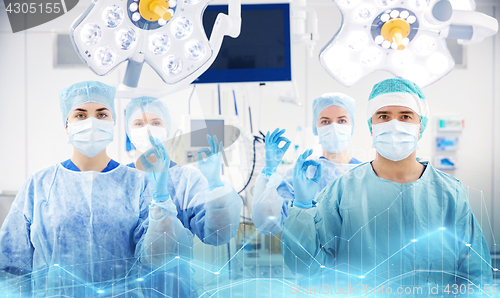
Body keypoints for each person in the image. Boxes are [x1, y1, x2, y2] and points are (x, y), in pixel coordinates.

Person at [0, 82, 237, 297]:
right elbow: (11, 265)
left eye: (101, 114)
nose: (91, 122)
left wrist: (209, 184)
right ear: (66, 125)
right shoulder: (40, 184)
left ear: (112, 125)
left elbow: (209, 236)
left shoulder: (143, 183)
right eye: (80, 115)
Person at [281, 78, 493, 289]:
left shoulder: (449, 193)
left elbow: (476, 274)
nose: (394, 124)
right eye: (383, 116)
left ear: (420, 127)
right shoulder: (343, 190)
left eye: (405, 116)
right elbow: (308, 268)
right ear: (371, 127)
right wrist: (302, 207)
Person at [124, 96, 243, 296]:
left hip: (176, 289)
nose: (148, 129)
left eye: (155, 123)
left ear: (167, 130)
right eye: (139, 123)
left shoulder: (187, 180)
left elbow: (218, 234)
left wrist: (215, 183)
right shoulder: (118, 180)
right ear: (128, 131)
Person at [252, 93, 361, 235]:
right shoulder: (301, 174)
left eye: (341, 121)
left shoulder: (367, 172)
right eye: (325, 122)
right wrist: (268, 172)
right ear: (316, 128)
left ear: (351, 126)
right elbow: (268, 224)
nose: (334, 127)